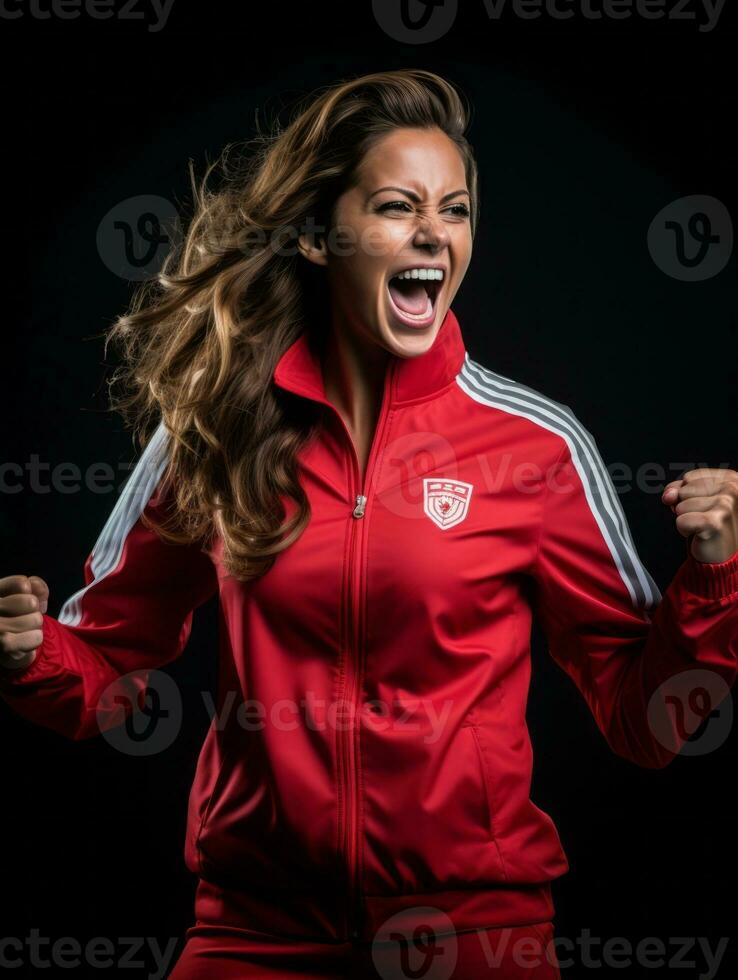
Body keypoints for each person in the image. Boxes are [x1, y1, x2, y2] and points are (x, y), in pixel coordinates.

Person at [2, 69, 737, 980]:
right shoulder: (217, 427)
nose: (434, 232)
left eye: (457, 210)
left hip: (474, 939)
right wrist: (28, 652)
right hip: (254, 935)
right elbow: (105, 656)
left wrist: (715, 577)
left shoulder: (538, 449)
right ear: (318, 235)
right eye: (398, 205)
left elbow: (644, 718)